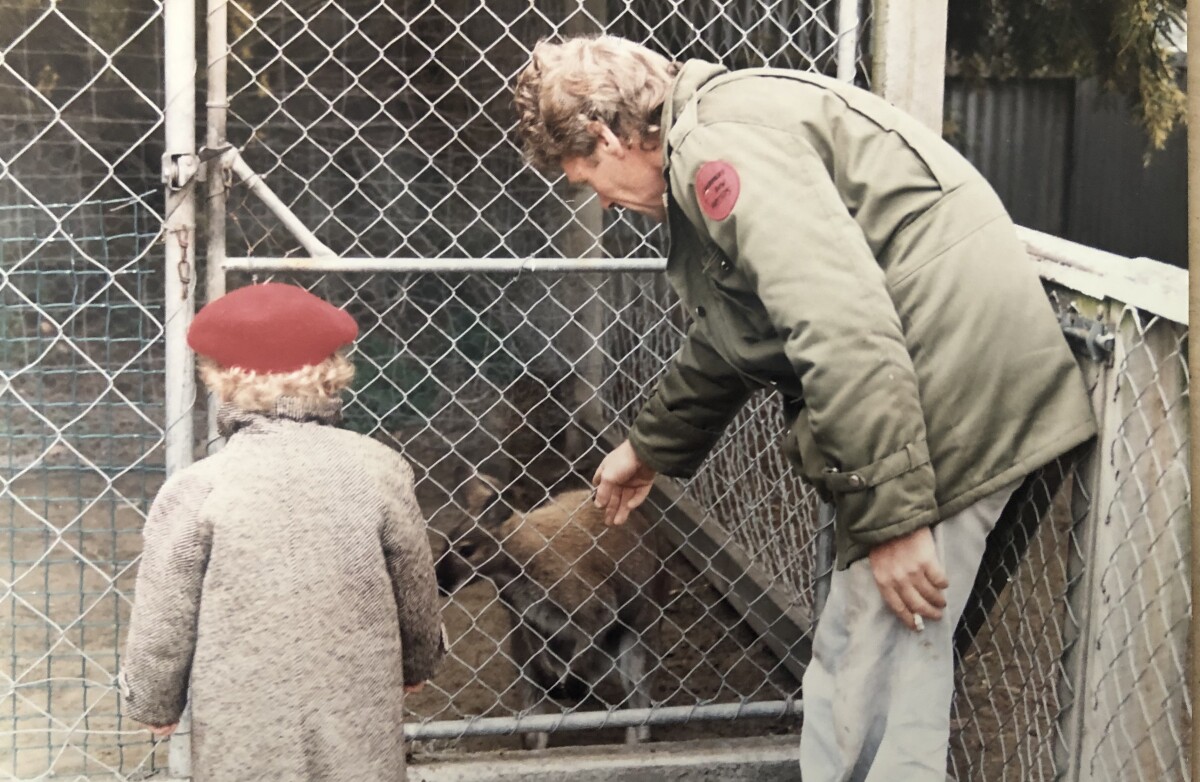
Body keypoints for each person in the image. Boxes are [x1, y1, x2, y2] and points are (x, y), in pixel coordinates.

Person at [513, 36, 1096, 781]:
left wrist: (894, 520)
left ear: (607, 135)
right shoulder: (718, 129)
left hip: (945, 396)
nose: (600, 198)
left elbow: (839, 323)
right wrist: (649, 447)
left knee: (876, 672)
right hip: (934, 391)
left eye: (587, 176)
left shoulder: (720, 151)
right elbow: (740, 327)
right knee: (867, 657)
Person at [119, 283, 446, 781]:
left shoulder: (198, 487)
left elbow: (166, 613)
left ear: (222, 380)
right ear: (332, 374)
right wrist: (418, 662)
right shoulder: (379, 469)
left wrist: (154, 701)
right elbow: (414, 584)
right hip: (355, 710)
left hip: (243, 722)